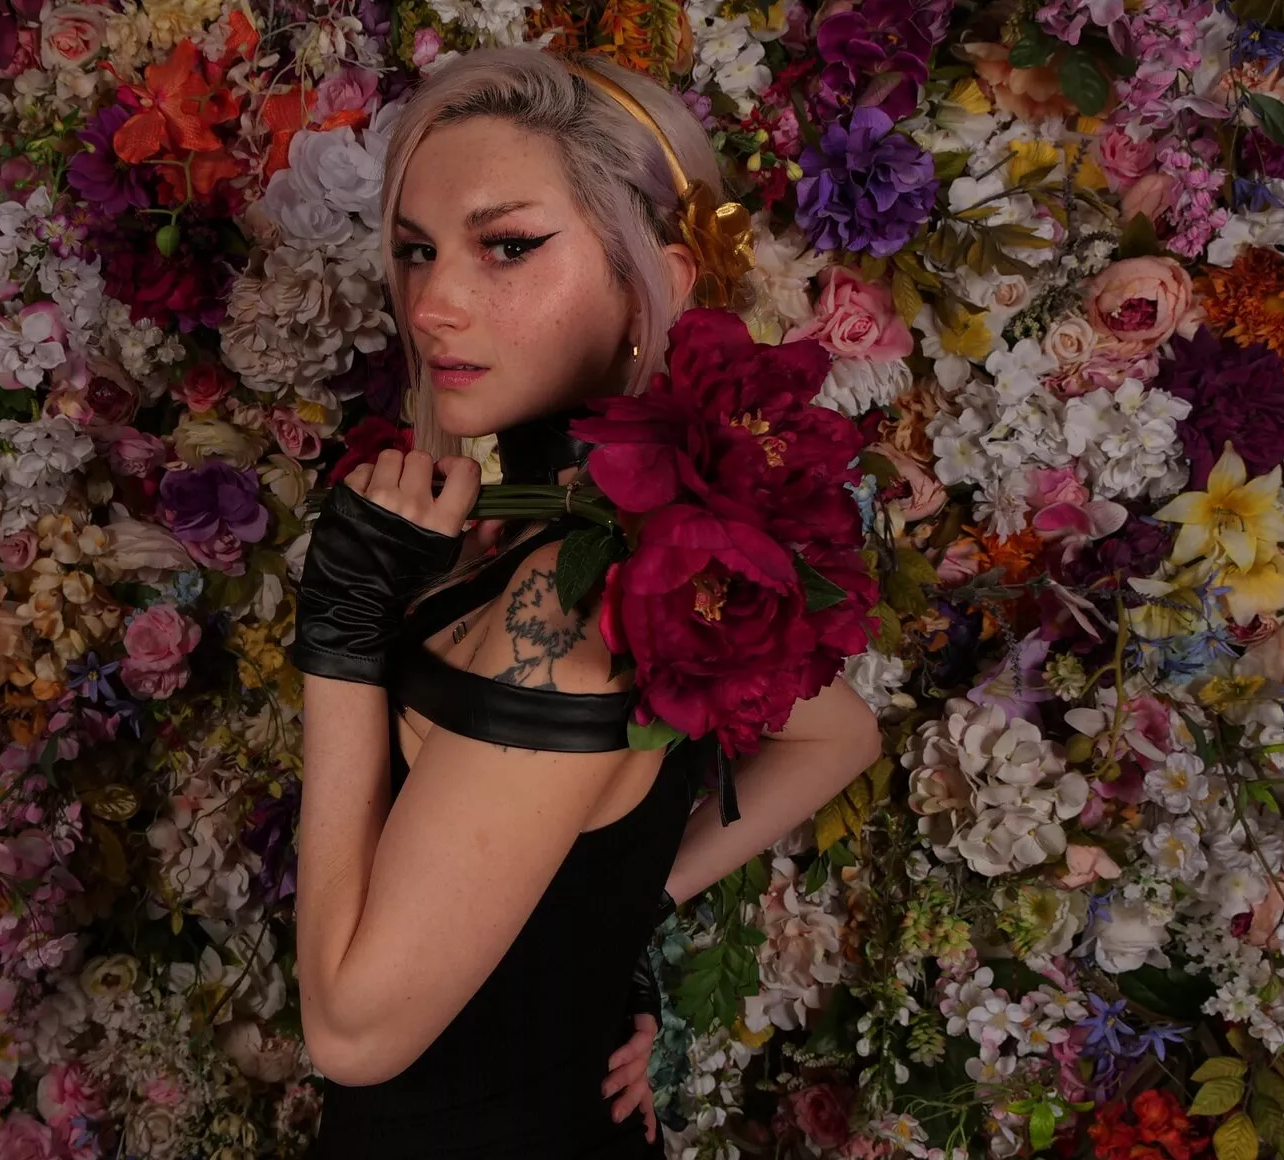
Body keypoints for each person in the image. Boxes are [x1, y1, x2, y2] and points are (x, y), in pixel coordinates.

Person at [289, 45, 884, 1158]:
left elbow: (352, 1033)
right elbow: (840, 733)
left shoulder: (568, 601)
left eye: (508, 246)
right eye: (417, 250)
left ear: (657, 281)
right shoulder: (597, 536)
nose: (433, 303)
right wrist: (606, 923)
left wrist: (337, 636)